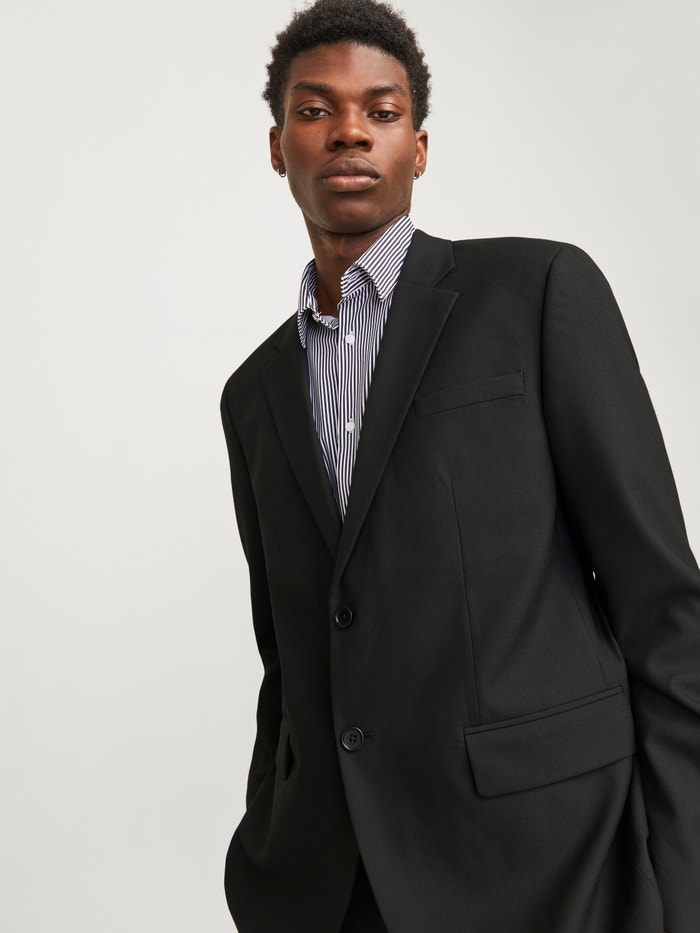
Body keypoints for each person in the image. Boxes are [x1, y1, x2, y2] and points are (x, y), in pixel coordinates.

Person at [219, 1, 700, 930]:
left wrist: (682, 887)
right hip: (338, 885)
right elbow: (290, 657)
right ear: (278, 147)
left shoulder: (537, 293)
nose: (349, 130)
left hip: (553, 866)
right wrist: (271, 843)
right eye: (315, 110)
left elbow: (665, 607)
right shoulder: (254, 394)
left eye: (382, 110)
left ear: (420, 147)